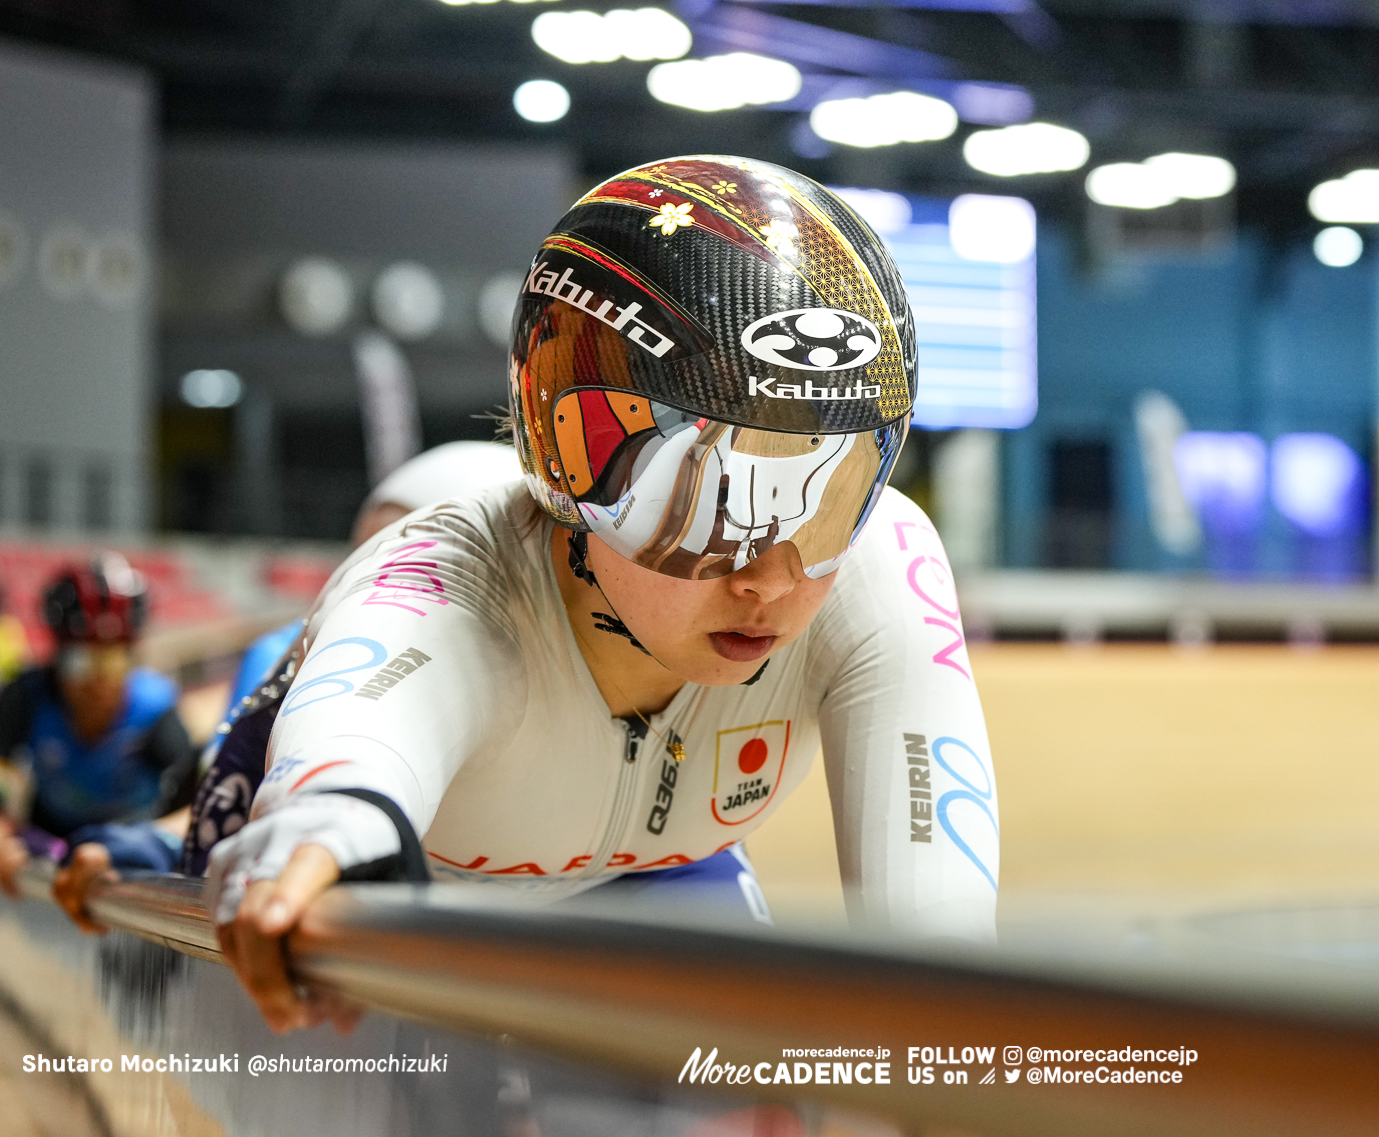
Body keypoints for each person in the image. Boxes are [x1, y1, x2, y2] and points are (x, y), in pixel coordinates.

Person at [205, 155, 1000, 1033]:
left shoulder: (877, 560)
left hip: (647, 876)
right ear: (573, 460)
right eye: (718, 501)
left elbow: (943, 960)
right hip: (435, 898)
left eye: (832, 498)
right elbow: (350, 768)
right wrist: (332, 821)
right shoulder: (450, 579)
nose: (772, 577)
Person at [48, 441, 523, 931]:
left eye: (413, 563)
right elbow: (235, 792)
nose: (378, 585)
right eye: (366, 558)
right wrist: (154, 844)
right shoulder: (286, 652)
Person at [0, 555, 193, 897]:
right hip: (48, 834)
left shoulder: (155, 709)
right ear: (56, 657)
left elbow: (193, 808)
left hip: (127, 842)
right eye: (79, 661)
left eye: (113, 660)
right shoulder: (24, 697)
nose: (97, 682)